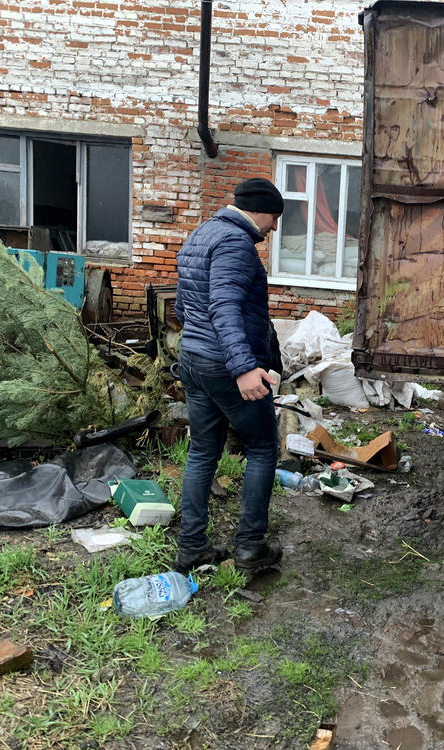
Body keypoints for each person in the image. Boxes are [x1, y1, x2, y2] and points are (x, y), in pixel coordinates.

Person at [172, 177, 285, 573]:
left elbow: (183, 307)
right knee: (262, 448)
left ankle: (192, 547)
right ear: (259, 210)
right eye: (274, 218)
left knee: (203, 451)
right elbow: (223, 306)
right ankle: (251, 547)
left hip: (195, 358)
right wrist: (243, 368)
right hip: (226, 364)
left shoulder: (202, 234)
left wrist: (202, 347)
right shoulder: (236, 244)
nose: (273, 228)